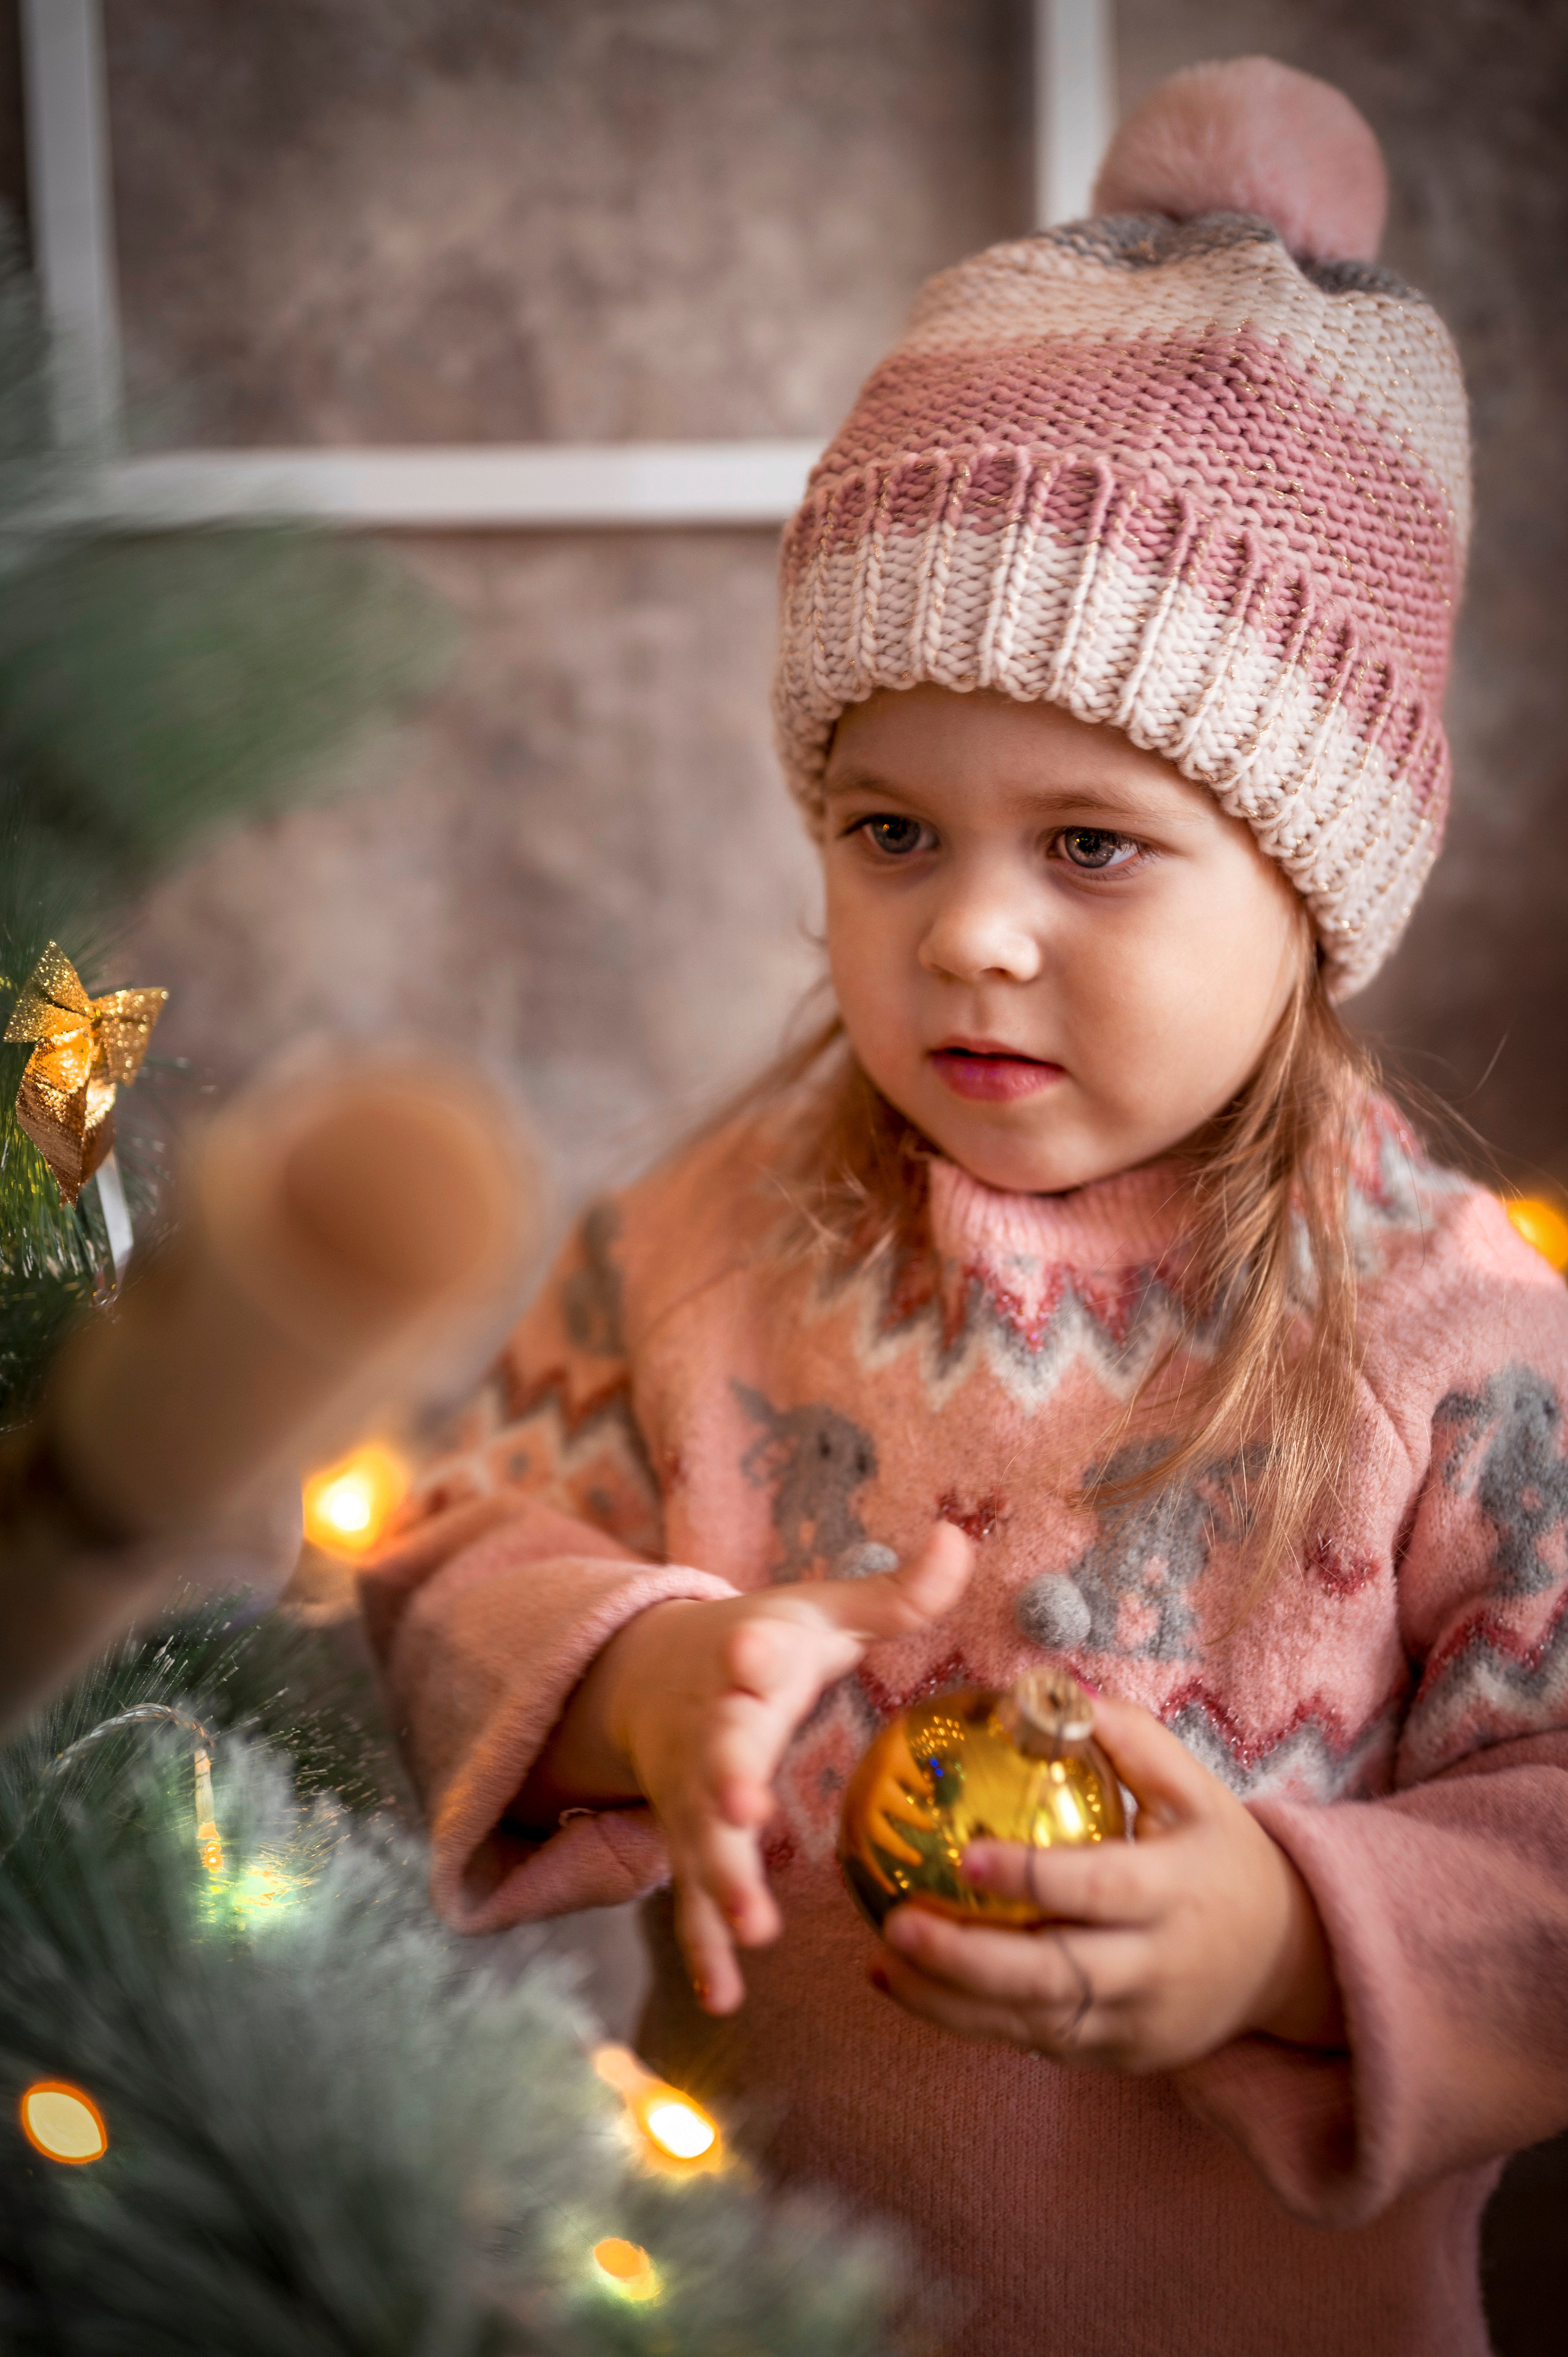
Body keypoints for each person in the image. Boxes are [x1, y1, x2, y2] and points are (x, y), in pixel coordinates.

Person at [361, 58, 1568, 2356]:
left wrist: (1294, 1938)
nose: (972, 934)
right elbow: (436, 1572)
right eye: (891, 832)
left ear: (1314, 891)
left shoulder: (1461, 1342)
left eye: (1094, 845)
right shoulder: (706, 1244)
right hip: (744, 2305)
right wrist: (638, 1679)